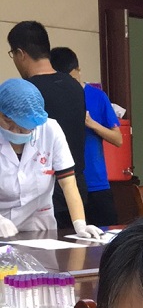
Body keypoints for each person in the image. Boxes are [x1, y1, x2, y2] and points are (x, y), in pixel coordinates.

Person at [8, 20, 87, 229]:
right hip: (76, 188)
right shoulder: (75, 87)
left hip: (48, 192)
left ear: (20, 53)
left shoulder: (27, 94)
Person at [0, 77, 101, 238]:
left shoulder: (49, 129)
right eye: (12, 125)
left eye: (26, 128)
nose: (19, 133)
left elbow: (68, 184)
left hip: (39, 226)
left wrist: (80, 224)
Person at [50, 46, 121, 227]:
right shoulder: (55, 98)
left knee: (107, 234)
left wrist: (92, 124)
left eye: (73, 79)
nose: (71, 85)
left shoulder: (97, 96)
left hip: (97, 183)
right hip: (64, 183)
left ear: (79, 70)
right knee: (69, 237)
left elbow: (118, 139)